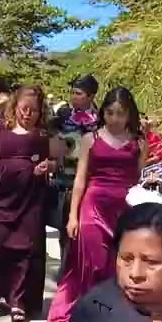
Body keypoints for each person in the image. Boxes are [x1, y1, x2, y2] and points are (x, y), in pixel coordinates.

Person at [45, 86, 146, 322]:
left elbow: (140, 179)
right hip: (93, 206)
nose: (115, 118)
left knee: (116, 265)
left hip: (124, 209)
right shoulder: (91, 139)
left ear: (129, 114)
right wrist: (73, 216)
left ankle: (108, 318)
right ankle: (83, 317)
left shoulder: (139, 142)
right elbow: (80, 180)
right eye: (110, 113)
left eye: (120, 113)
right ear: (103, 113)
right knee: (92, 263)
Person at [0, 86, 55, 322]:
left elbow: (53, 161)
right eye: (24, 108)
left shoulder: (42, 135)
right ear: (15, 106)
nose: (27, 114)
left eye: (33, 110)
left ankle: (19, 301)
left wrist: (47, 167)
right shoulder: (0, 128)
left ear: (40, 112)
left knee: (25, 249)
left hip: (29, 199)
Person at [50, 74, 101, 277]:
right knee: (64, 228)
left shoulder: (100, 120)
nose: (74, 97)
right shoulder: (63, 116)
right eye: (72, 93)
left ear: (91, 96)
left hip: (87, 181)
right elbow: (51, 137)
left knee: (83, 229)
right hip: (63, 178)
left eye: (79, 94)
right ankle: (65, 270)